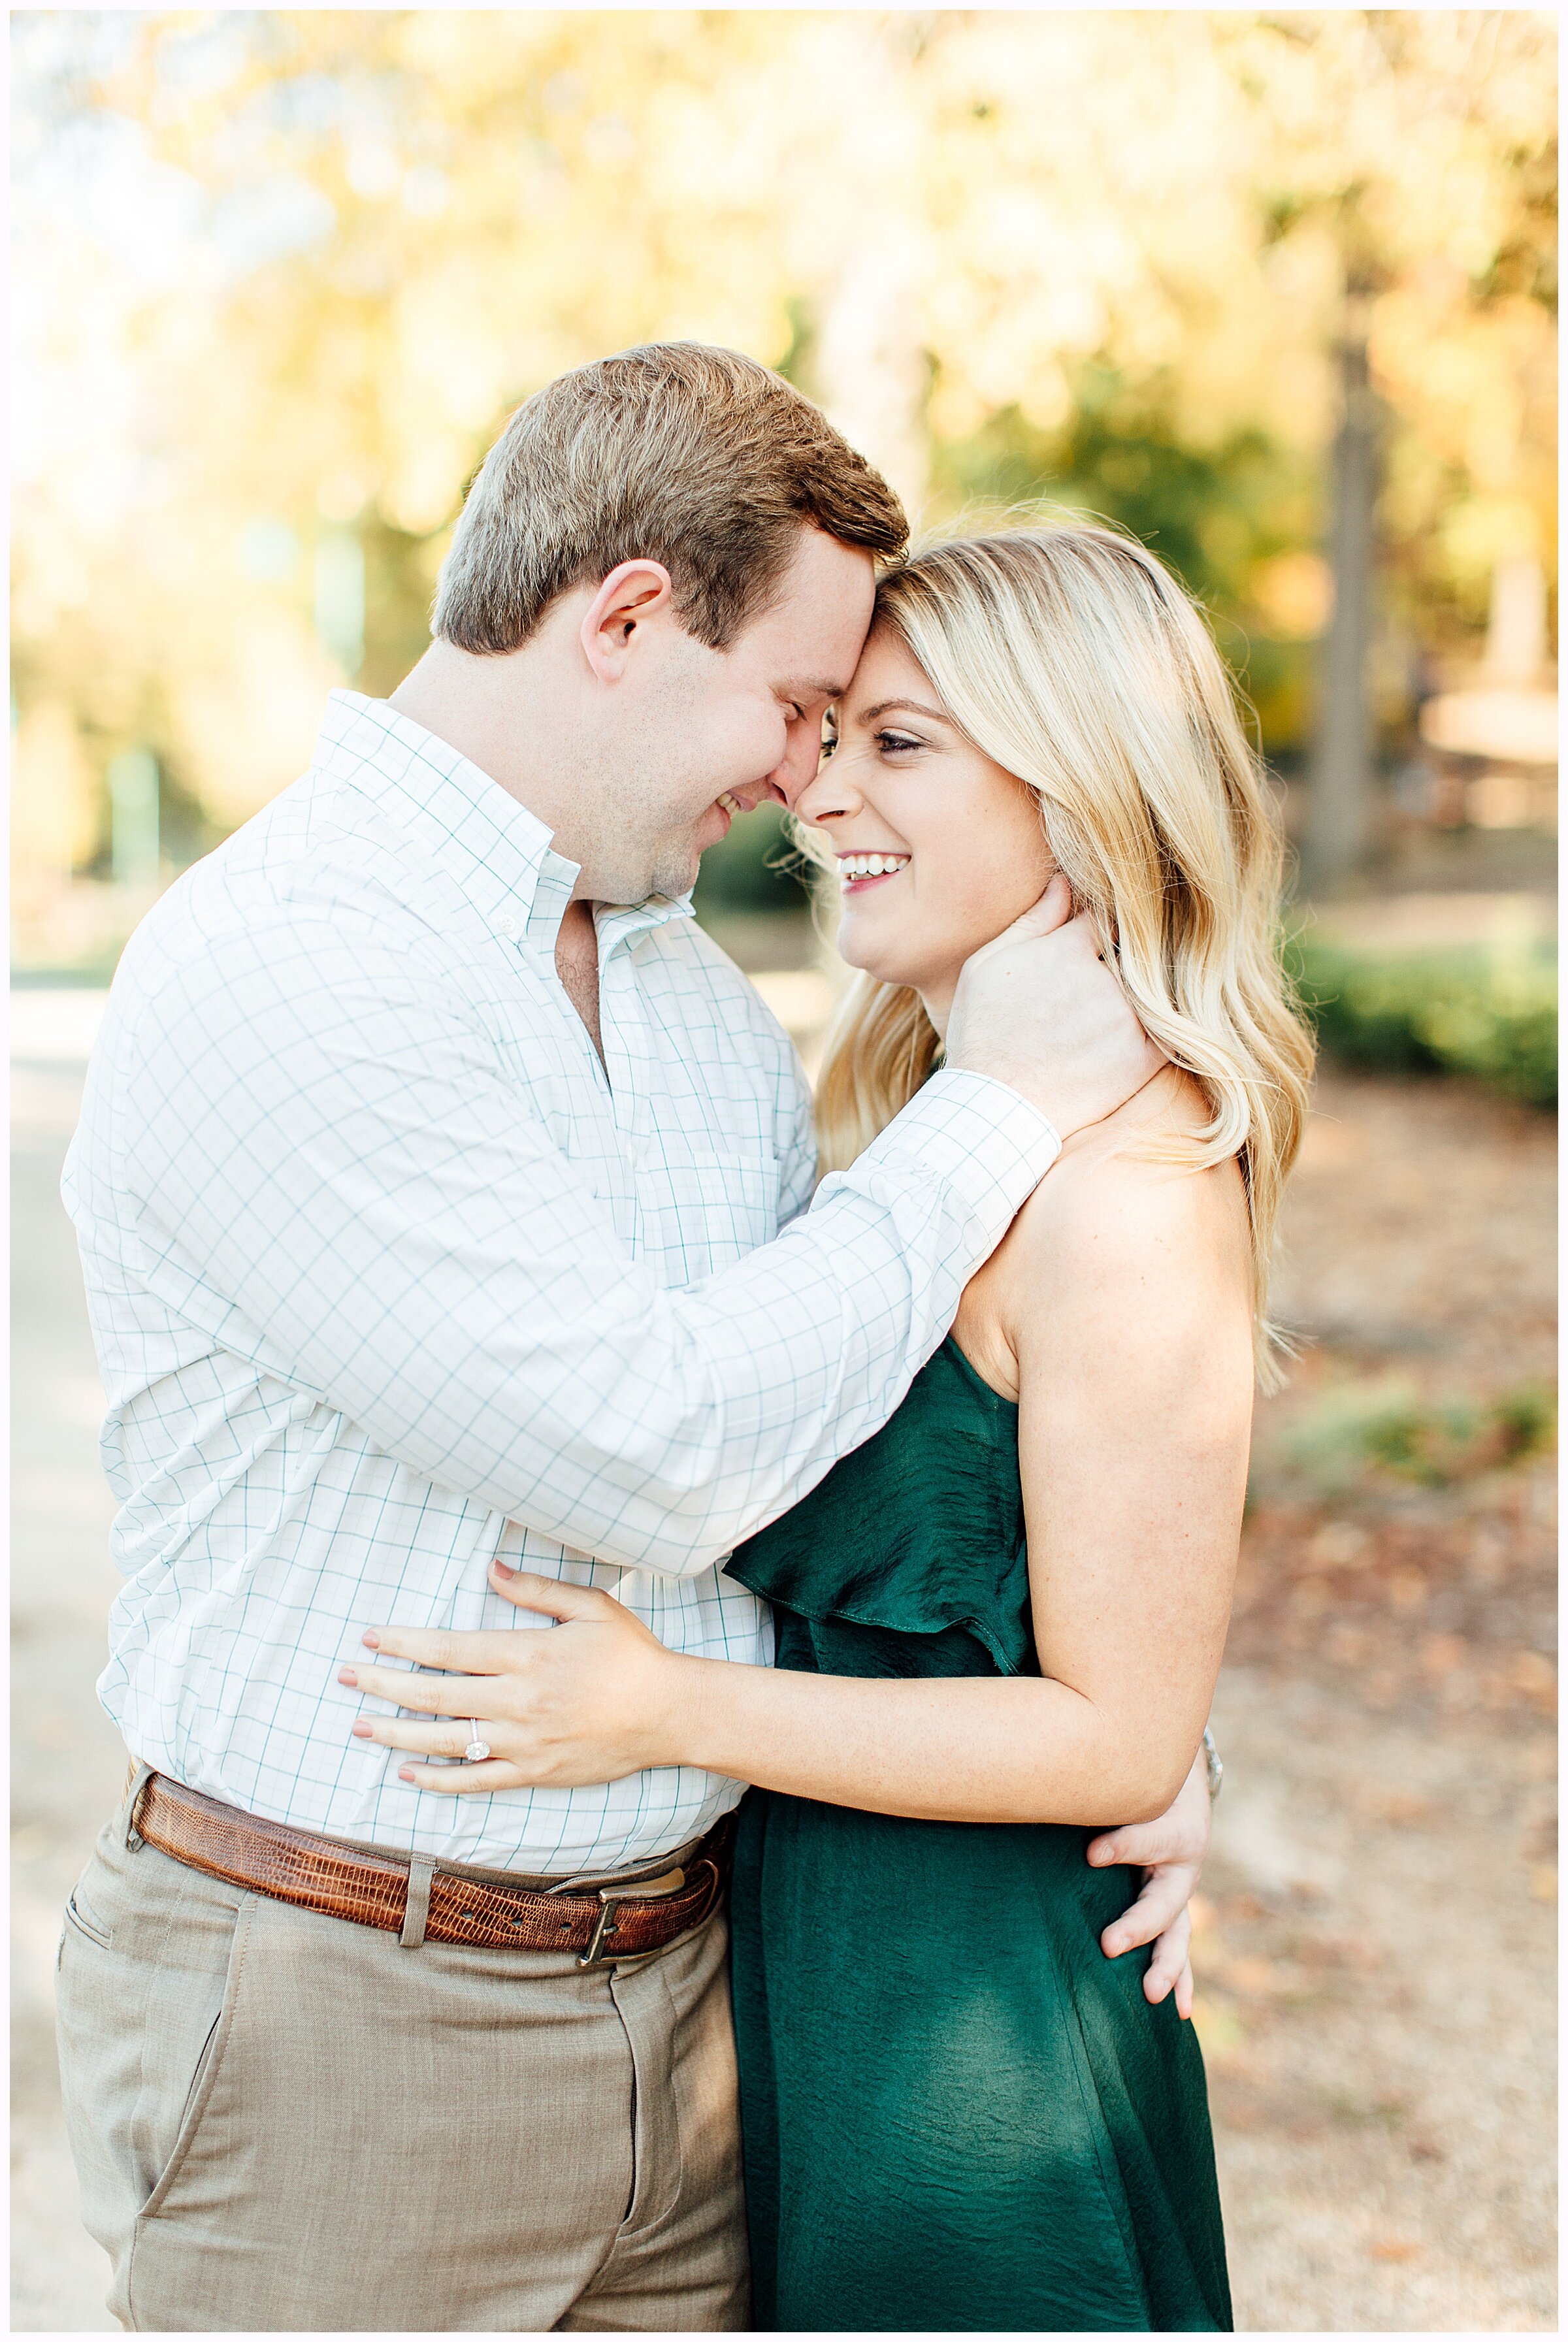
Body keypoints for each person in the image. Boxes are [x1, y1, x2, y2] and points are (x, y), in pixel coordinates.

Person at [56, 346, 1207, 2334]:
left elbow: (838, 1445)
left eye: (860, 733)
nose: (797, 777)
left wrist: (1133, 1728)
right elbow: (653, 1448)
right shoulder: (297, 958)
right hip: (352, 2017)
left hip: (712, 2016)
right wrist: (996, 1101)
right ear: (625, 621)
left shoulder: (680, 996)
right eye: (791, 708)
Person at [351, 524, 1316, 2332]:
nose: (816, 789)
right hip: (824, 1997)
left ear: (1084, 785)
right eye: (826, 732)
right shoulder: (938, 1146)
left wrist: (661, 1706)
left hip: (979, 2061)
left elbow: (1117, 1727)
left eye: (898, 742)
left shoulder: (1129, 1194)